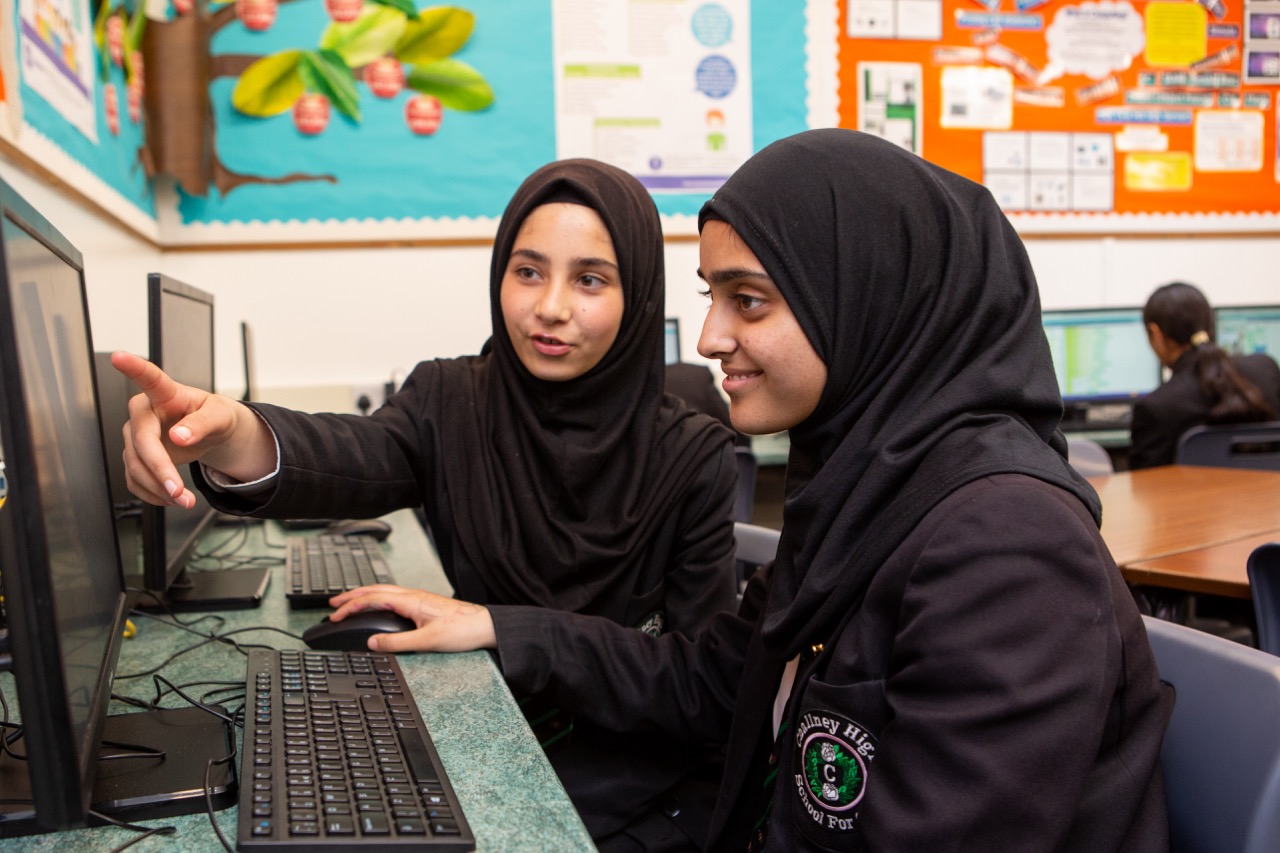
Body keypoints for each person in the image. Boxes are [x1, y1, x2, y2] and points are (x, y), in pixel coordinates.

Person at [330, 129, 1172, 852]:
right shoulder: (863, 495)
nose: (709, 336)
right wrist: (495, 627)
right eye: (712, 297)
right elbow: (711, 678)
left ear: (867, 302)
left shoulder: (1006, 550)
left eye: (751, 301)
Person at [113, 158, 740, 843]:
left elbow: (701, 686)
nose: (550, 305)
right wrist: (226, 432)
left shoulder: (693, 456)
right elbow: (347, 456)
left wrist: (502, 626)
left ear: (640, 292)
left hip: (634, 779)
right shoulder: (451, 402)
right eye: (527, 270)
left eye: (590, 279)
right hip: (485, 732)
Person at [1129, 281, 1280, 469]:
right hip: (1268, 498)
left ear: (1156, 333)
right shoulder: (1266, 369)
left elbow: (1144, 491)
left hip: (1194, 499)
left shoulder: (1155, 408)